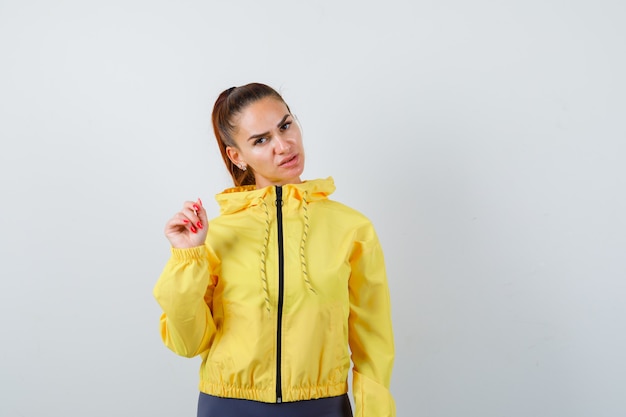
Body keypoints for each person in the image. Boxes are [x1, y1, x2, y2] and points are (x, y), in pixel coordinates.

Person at [153, 83, 395, 417]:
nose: (284, 146)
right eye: (261, 140)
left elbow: (374, 343)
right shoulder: (215, 236)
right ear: (236, 156)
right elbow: (187, 343)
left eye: (285, 125)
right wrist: (186, 256)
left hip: (322, 407)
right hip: (227, 407)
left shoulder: (352, 229)